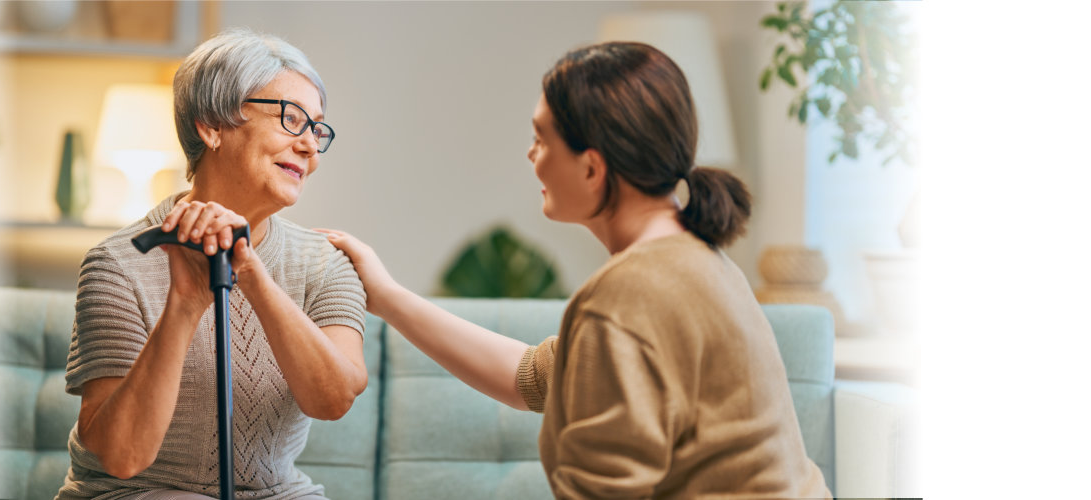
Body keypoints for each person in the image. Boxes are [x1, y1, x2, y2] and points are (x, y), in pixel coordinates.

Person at [315, 41, 831, 498]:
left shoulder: (630, 292)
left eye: (542, 138)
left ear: (590, 166)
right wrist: (383, 295)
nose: (531, 155)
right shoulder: (696, 260)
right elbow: (533, 378)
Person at [57, 28, 366, 500]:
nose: (308, 146)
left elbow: (334, 399)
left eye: (316, 128)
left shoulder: (325, 264)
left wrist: (250, 272)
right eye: (291, 119)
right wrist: (184, 303)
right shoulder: (117, 264)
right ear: (211, 125)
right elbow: (122, 458)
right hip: (139, 492)